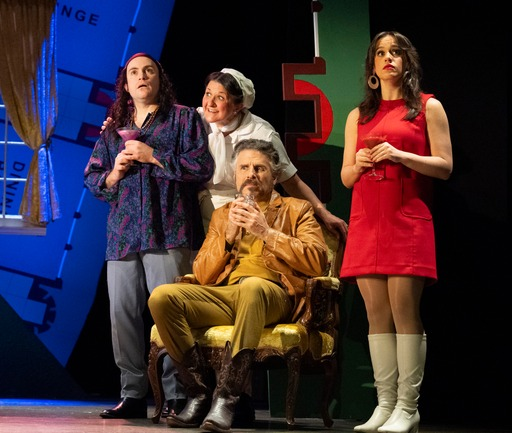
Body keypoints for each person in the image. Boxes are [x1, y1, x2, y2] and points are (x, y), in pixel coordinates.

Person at [148, 138, 328, 432]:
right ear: (235, 175)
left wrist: (267, 233)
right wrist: (227, 238)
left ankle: (226, 399)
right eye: (244, 168)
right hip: (227, 295)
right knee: (162, 297)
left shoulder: (297, 209)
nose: (251, 174)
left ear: (274, 175)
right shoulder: (223, 215)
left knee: (253, 288)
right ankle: (198, 394)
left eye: (259, 168)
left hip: (272, 295)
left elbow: (318, 260)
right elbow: (202, 274)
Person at [84, 52, 214, 419]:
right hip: (123, 234)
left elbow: (200, 166)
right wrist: (114, 172)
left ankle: (176, 394)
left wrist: (152, 154)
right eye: (134, 73)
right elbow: (92, 178)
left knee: (169, 315)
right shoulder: (114, 128)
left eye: (149, 71)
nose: (142, 77)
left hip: (169, 228)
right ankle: (132, 394)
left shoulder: (183, 119)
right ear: (125, 85)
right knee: (122, 314)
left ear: (160, 78)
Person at [340, 31, 453, 433]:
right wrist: (360, 162)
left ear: (408, 61)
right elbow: (346, 177)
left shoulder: (427, 107)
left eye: (396, 52)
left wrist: (400, 154)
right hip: (367, 221)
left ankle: (408, 407)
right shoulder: (358, 115)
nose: (388, 58)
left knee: (405, 312)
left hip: (406, 220)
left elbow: (444, 166)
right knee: (376, 317)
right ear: (372, 65)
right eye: (381, 53)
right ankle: (385, 404)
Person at [197, 68, 347, 239]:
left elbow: (292, 182)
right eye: (208, 94)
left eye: (220, 98)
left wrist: (323, 213)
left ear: (239, 105)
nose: (210, 103)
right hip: (197, 212)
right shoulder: (194, 122)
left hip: (243, 213)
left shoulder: (261, 133)